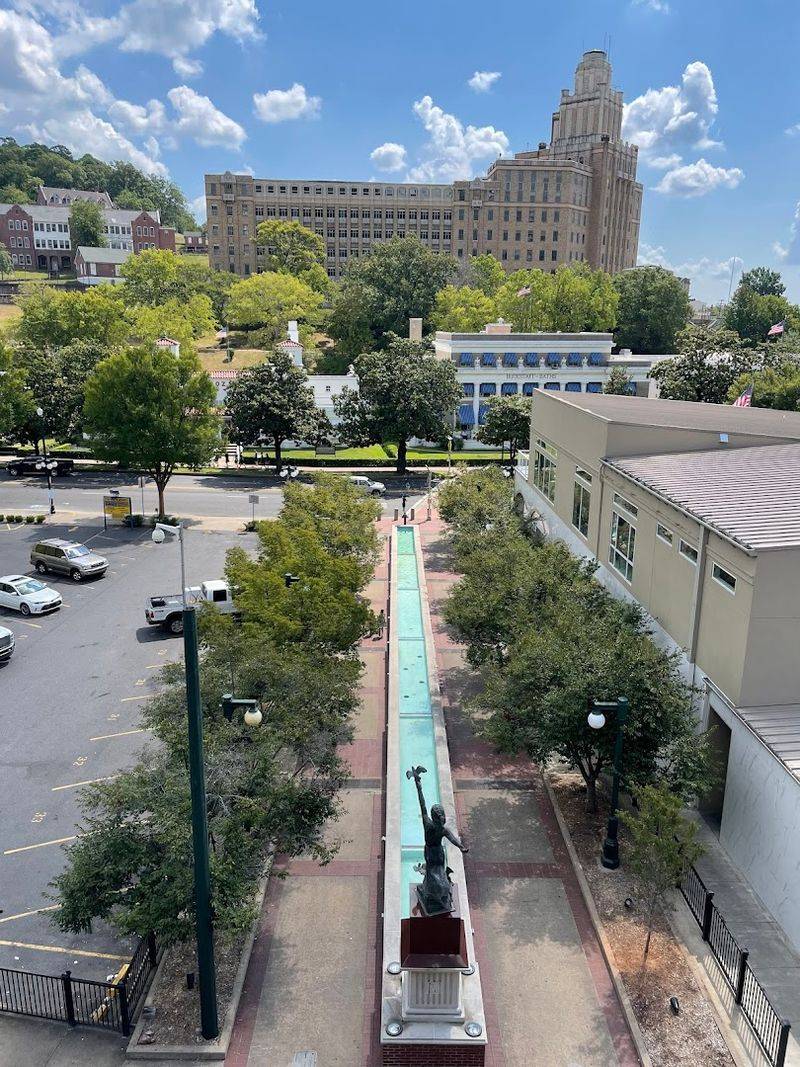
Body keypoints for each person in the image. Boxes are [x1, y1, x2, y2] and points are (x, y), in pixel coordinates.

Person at [406, 765, 468, 915]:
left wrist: (460, 846)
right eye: (440, 816)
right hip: (431, 852)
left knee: (438, 873)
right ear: (436, 817)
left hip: (438, 853)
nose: (442, 818)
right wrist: (418, 787)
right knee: (434, 874)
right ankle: (431, 893)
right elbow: (423, 805)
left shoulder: (442, 829)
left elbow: (452, 838)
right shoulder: (428, 824)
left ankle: (434, 893)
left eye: (442, 816)